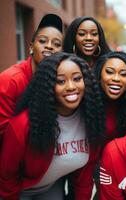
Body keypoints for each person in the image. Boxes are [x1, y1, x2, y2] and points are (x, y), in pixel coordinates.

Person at [0, 52, 105, 199]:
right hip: (18, 189)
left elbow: (85, 175)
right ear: (48, 86)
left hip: (50, 187)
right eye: (60, 81)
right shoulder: (24, 124)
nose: (71, 86)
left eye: (77, 78)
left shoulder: (91, 118)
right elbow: (7, 175)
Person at [0, 13, 63, 135]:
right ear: (31, 47)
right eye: (43, 41)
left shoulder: (61, 80)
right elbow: (4, 133)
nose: (49, 46)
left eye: (57, 44)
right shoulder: (10, 80)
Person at [94, 51, 126, 144]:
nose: (116, 78)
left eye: (123, 74)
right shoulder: (88, 102)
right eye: (109, 72)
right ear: (99, 75)